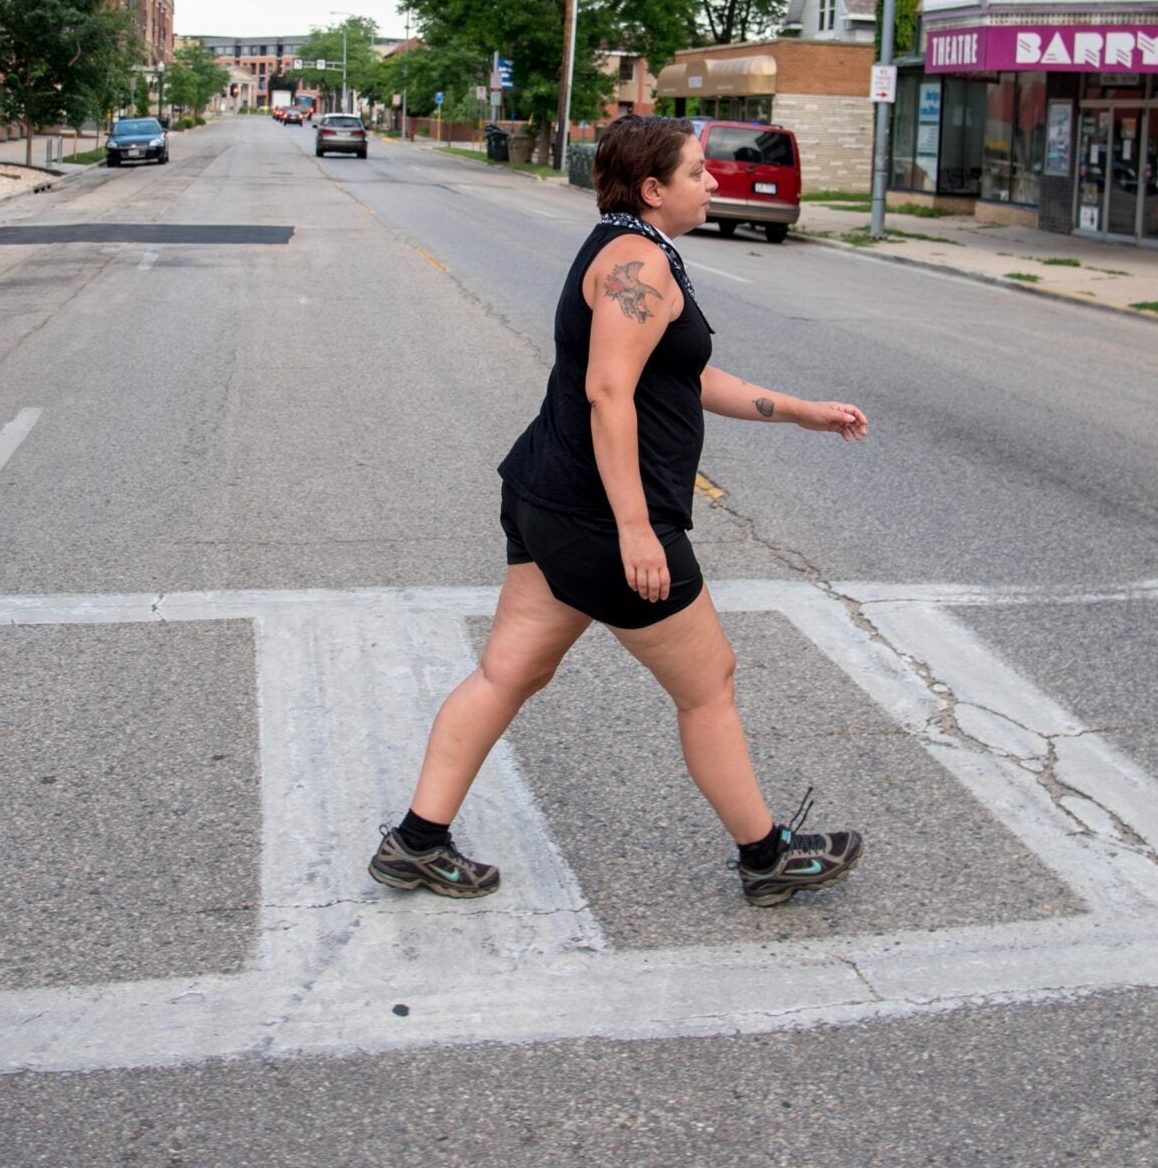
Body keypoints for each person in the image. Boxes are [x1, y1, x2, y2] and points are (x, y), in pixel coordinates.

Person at [370, 114, 871, 909]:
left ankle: (416, 843)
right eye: (699, 173)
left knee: (508, 670)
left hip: (547, 498)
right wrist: (637, 529)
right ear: (652, 189)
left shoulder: (624, 247)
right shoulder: (639, 261)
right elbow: (609, 389)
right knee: (709, 684)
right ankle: (766, 856)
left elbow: (675, 378)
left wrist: (801, 410)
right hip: (604, 521)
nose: (712, 183)